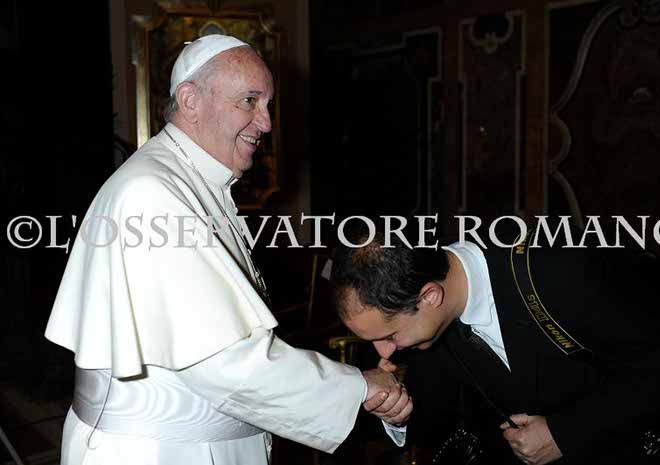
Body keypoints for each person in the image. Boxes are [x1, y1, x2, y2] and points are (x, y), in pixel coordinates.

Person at [45, 35, 411, 465]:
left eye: (268, 104)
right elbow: (227, 363)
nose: (267, 123)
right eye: (249, 101)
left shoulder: (189, 181)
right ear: (190, 100)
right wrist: (359, 387)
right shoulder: (153, 193)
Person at [331, 229, 660, 465]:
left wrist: (565, 433)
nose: (384, 352)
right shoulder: (425, 324)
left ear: (430, 296)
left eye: (390, 335)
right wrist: (397, 413)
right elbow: (439, 422)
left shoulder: (562, 270)